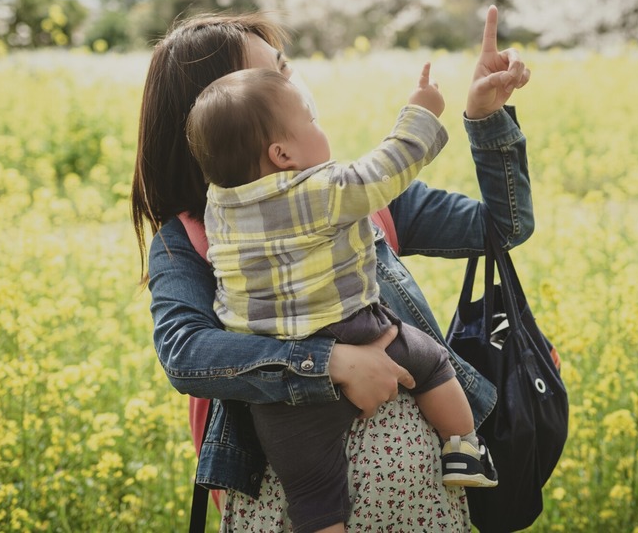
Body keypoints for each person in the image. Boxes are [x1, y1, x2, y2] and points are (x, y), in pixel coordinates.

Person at [133, 6, 533, 532]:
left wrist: (485, 118)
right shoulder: (189, 238)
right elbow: (185, 355)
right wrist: (328, 361)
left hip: (424, 504)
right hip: (281, 505)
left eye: (286, 66)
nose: (293, 82)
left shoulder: (349, 195)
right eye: (274, 74)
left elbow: (500, 228)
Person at [185, 63, 497, 533]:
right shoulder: (320, 191)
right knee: (433, 362)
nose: (320, 125)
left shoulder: (217, 210)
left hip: (282, 394)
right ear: (282, 152)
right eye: (311, 119)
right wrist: (422, 112)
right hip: (359, 331)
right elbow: (385, 168)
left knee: (312, 497)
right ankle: (464, 448)